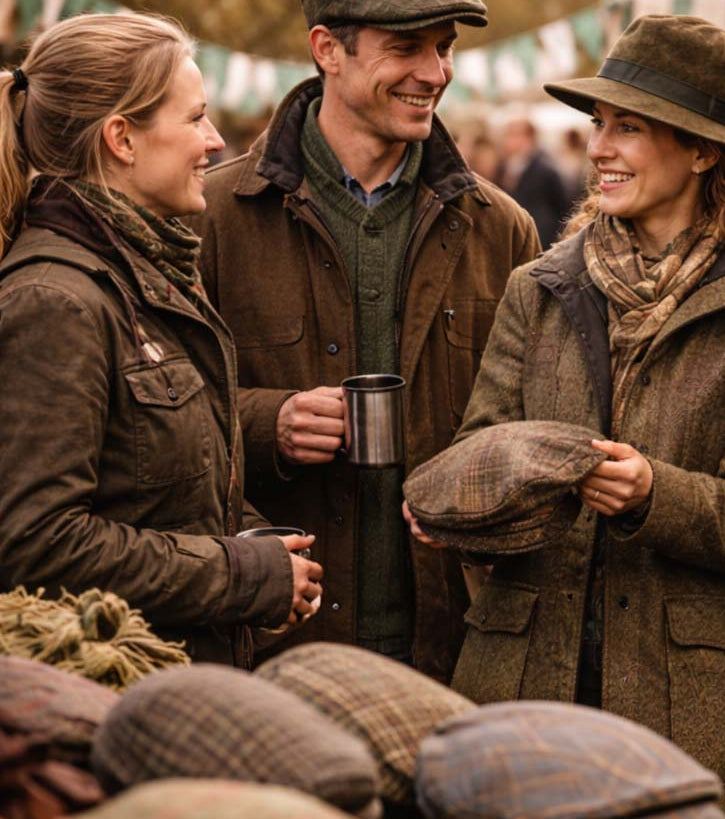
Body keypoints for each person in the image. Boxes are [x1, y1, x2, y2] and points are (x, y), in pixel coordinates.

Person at [406, 15, 725, 818]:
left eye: (628, 127)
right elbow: (476, 446)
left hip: (694, 702)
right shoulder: (539, 287)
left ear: (703, 150)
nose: (599, 146)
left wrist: (651, 494)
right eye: (599, 124)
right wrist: (469, 497)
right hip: (525, 674)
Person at [189, 0, 540, 680]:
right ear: (328, 49)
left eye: (443, 48)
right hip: (268, 654)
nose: (435, 73)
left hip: (454, 654)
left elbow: (534, 426)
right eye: (407, 48)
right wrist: (269, 423)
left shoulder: (505, 230)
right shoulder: (211, 220)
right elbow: (156, 435)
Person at [0, 13, 321, 667]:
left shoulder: (148, 270)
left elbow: (159, 489)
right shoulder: (55, 301)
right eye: (195, 119)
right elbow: (34, 545)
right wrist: (239, 573)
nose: (212, 141)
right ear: (122, 137)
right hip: (109, 709)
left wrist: (264, 553)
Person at [497, 116, 573, 249]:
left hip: (540, 239)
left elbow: (563, 208)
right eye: (508, 134)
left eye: (515, 135)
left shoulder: (546, 169)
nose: (509, 140)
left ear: (530, 138)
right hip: (516, 238)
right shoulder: (504, 167)